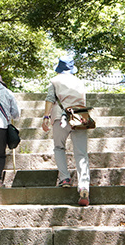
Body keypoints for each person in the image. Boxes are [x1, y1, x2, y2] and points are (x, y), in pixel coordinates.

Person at [41, 57, 90, 206]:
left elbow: (50, 98)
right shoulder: (79, 82)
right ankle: (83, 187)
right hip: (80, 117)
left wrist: (46, 117)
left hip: (60, 117)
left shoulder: (55, 81)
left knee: (59, 147)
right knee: (81, 153)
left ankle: (65, 178)